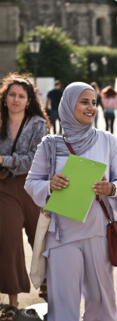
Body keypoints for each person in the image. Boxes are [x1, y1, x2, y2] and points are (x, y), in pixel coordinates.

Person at [24, 82, 117, 321]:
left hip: (98, 232)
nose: (91, 108)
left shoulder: (108, 141)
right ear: (68, 105)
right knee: (63, 300)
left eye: (94, 103)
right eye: (84, 102)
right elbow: (31, 183)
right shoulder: (49, 144)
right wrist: (49, 185)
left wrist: (111, 187)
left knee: (101, 298)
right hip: (62, 233)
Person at [0, 74, 50, 320]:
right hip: (5, 188)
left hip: (33, 187)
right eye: (12, 95)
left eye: (21, 96)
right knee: (9, 243)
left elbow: (35, 160)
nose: (16, 100)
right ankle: (11, 301)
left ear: (29, 100)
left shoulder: (39, 124)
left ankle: (49, 284)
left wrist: (3, 160)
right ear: (5, 97)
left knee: (39, 238)